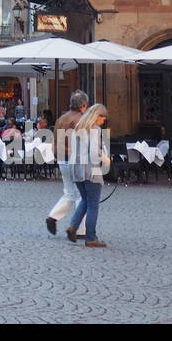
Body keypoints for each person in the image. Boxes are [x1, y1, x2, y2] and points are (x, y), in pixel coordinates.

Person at [65, 104, 110, 247]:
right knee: (93, 205)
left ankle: (73, 226)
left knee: (85, 200)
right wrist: (107, 160)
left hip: (76, 168)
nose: (103, 121)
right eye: (103, 118)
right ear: (97, 116)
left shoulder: (78, 128)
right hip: (90, 170)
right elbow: (94, 153)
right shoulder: (95, 130)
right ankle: (91, 237)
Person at [46, 91, 88, 236]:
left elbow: (55, 140)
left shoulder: (61, 118)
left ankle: (53, 217)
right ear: (83, 105)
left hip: (62, 159)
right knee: (82, 196)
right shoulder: (82, 119)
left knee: (70, 193)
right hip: (75, 159)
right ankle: (80, 229)